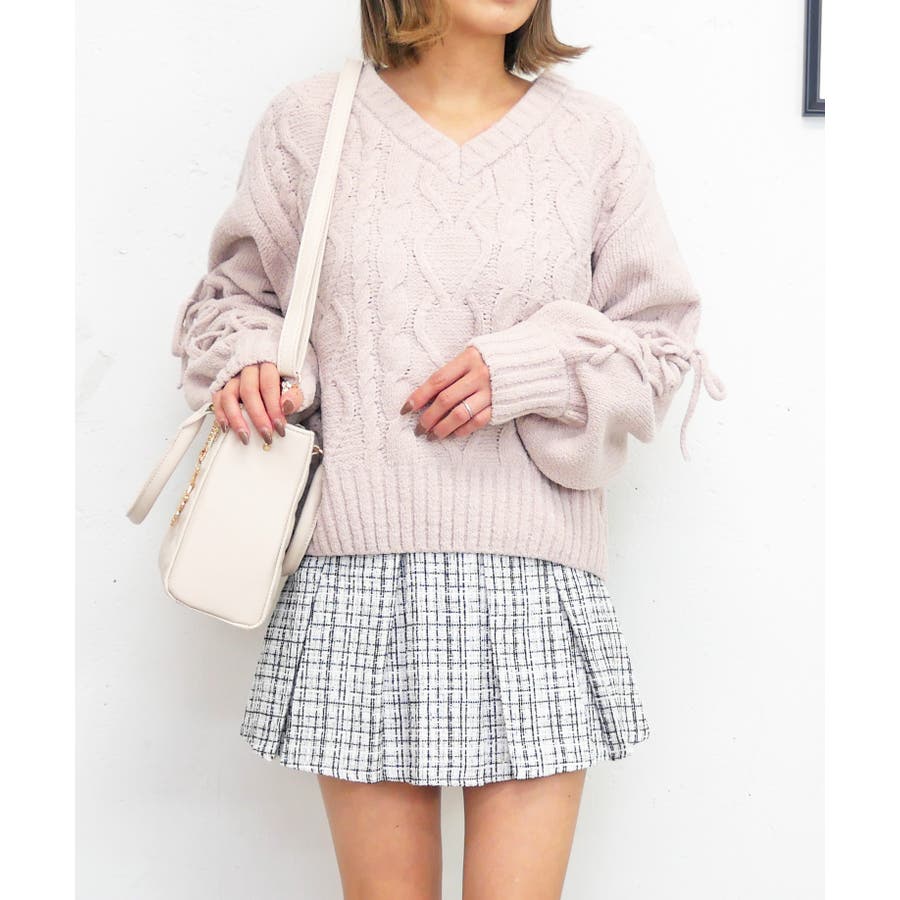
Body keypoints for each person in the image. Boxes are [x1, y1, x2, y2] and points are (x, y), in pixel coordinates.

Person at [170, 1, 727, 897]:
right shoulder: (309, 122)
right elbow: (234, 301)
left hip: (536, 585)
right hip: (355, 583)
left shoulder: (595, 139)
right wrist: (250, 363)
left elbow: (660, 347)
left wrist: (531, 369)